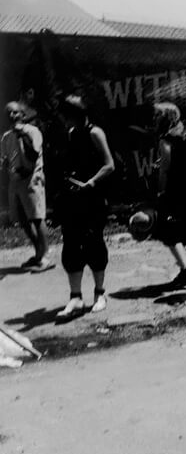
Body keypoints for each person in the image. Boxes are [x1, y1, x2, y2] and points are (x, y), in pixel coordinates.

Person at [54, 95, 115, 320]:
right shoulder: (71, 134)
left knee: (94, 244)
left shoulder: (95, 133)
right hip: (73, 199)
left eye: (67, 115)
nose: (65, 120)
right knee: (71, 245)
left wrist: (91, 182)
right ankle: (76, 297)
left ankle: (100, 294)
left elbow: (109, 165)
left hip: (93, 199)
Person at [152, 102, 186, 288]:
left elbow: (165, 168)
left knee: (168, 229)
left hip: (175, 190)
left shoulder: (166, 139)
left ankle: (185, 270)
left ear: (165, 118)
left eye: (157, 115)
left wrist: (161, 191)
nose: (154, 119)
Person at [1, 101, 53, 272]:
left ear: (23, 115)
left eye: (15, 112)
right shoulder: (6, 137)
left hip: (32, 180)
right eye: (9, 113)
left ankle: (45, 257)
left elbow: (33, 154)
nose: (12, 116)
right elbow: (5, 160)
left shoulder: (32, 131)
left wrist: (20, 133)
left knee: (37, 218)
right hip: (15, 182)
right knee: (22, 219)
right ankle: (38, 253)